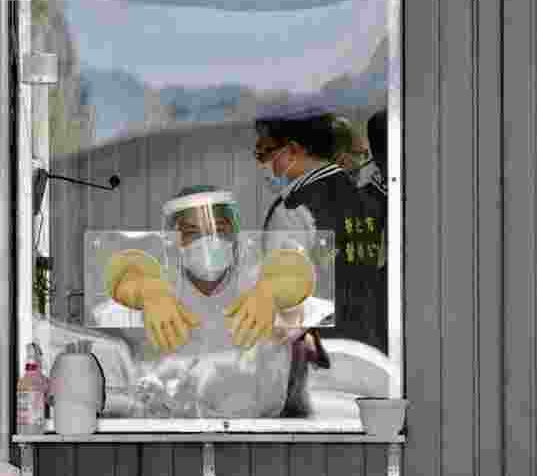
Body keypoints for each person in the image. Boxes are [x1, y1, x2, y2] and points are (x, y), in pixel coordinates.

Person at [98, 185, 319, 418]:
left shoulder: (256, 284)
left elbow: (296, 273)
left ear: (235, 235)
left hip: (255, 431)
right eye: (193, 232)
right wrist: (148, 292)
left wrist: (270, 292)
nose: (208, 242)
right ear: (172, 239)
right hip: (171, 431)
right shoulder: (158, 291)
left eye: (219, 230)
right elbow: (120, 276)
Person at [254, 108, 388, 354]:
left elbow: (289, 315)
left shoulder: (293, 209)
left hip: (324, 361)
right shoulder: (368, 201)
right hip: (372, 353)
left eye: (265, 152)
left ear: (292, 151)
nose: (261, 162)